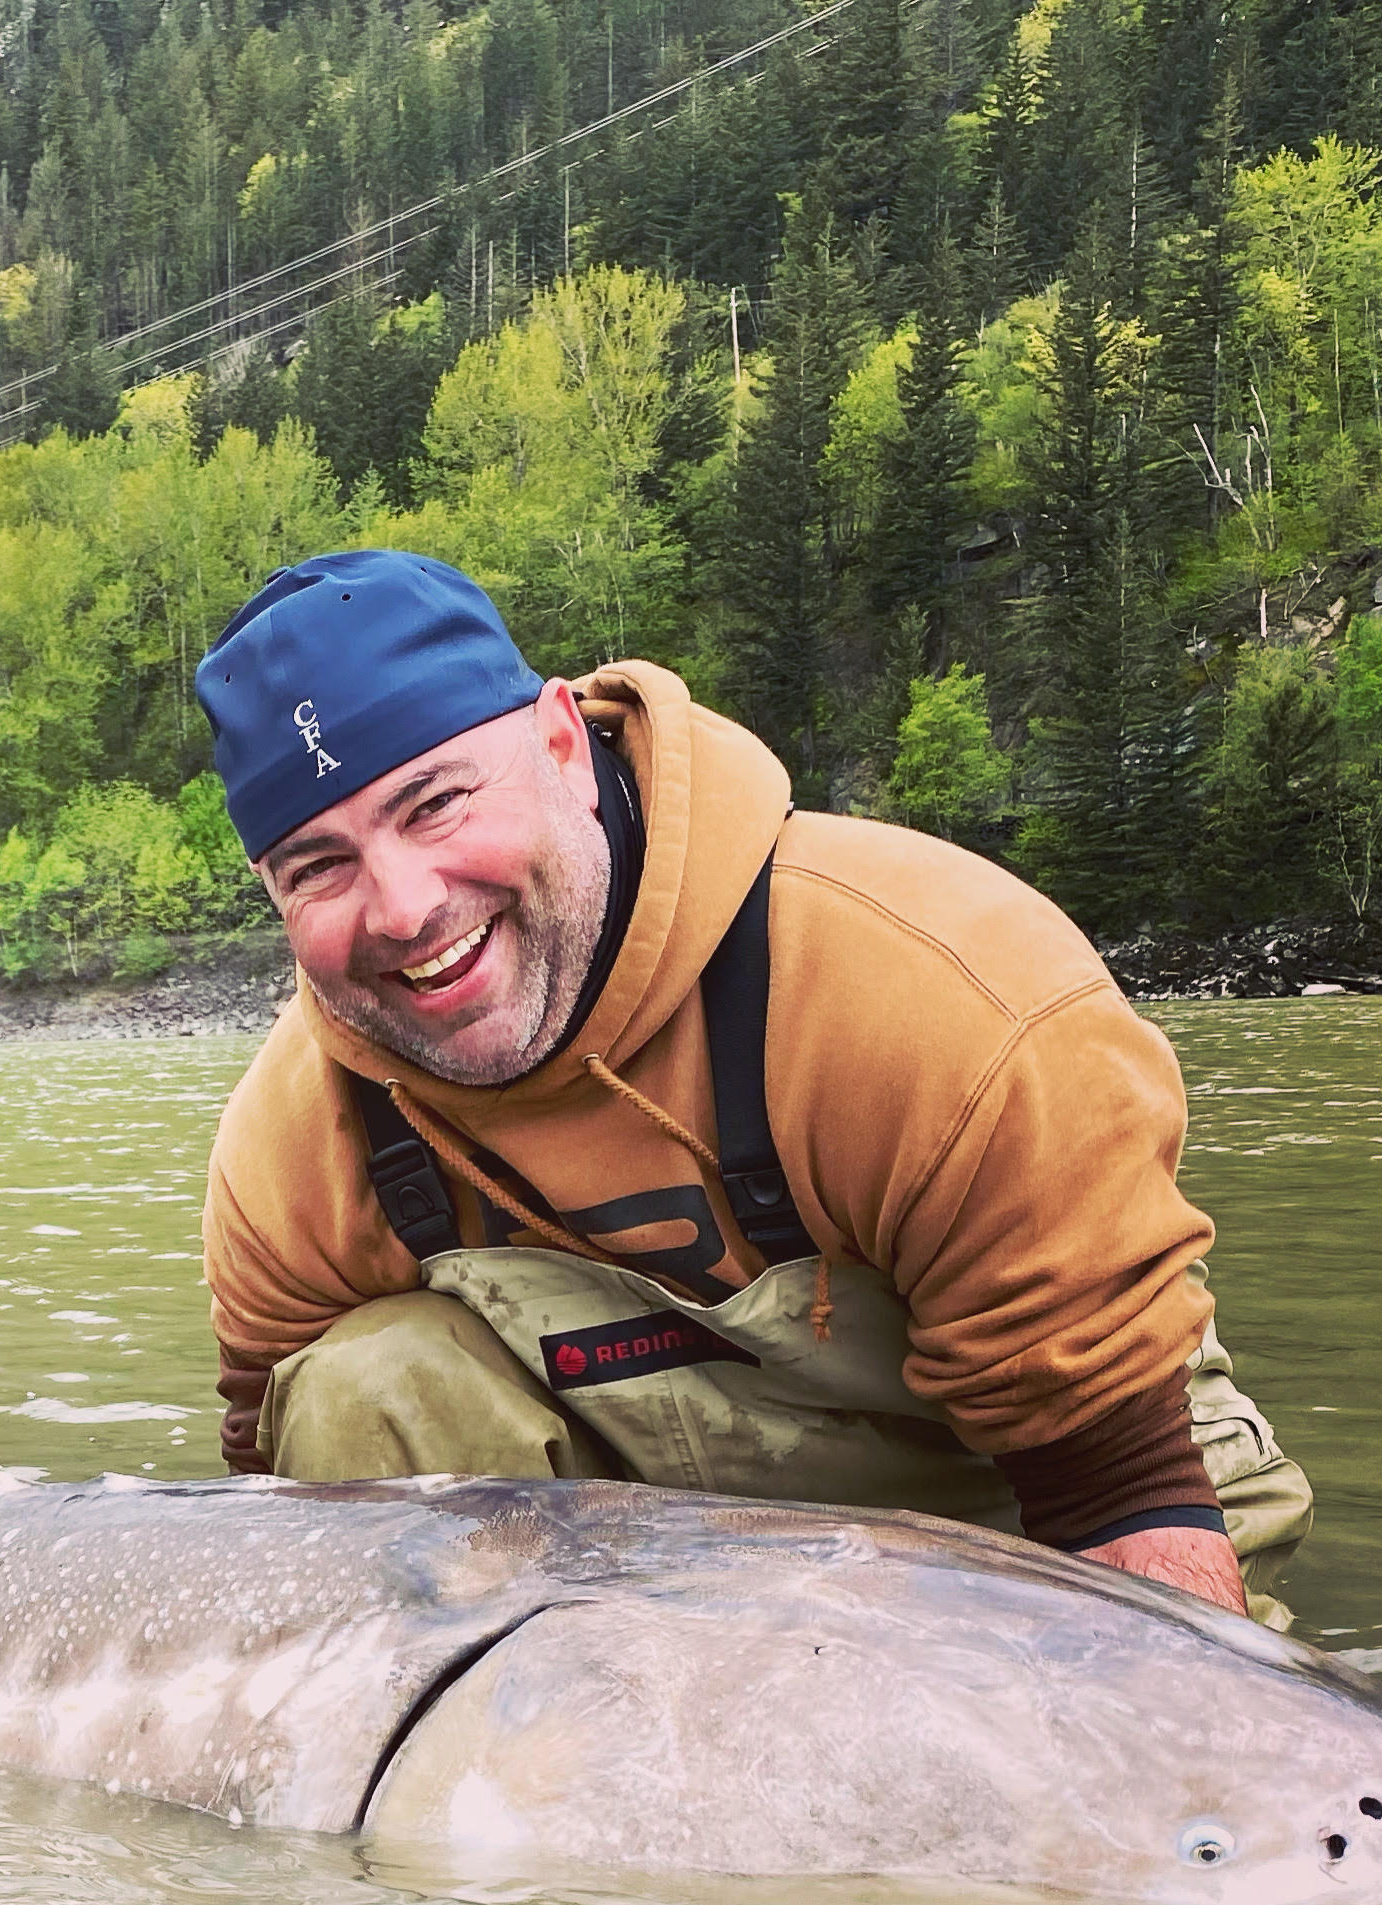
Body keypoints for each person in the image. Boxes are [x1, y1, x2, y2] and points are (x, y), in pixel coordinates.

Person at [193, 551, 1310, 1624]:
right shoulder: (295, 1143)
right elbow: (271, 1512)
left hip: (1030, 1504)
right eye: (318, 866)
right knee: (355, 1387)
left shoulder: (933, 994)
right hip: (644, 1570)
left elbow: (1117, 1496)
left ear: (559, 743)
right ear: (267, 889)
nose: (399, 907)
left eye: (434, 803)